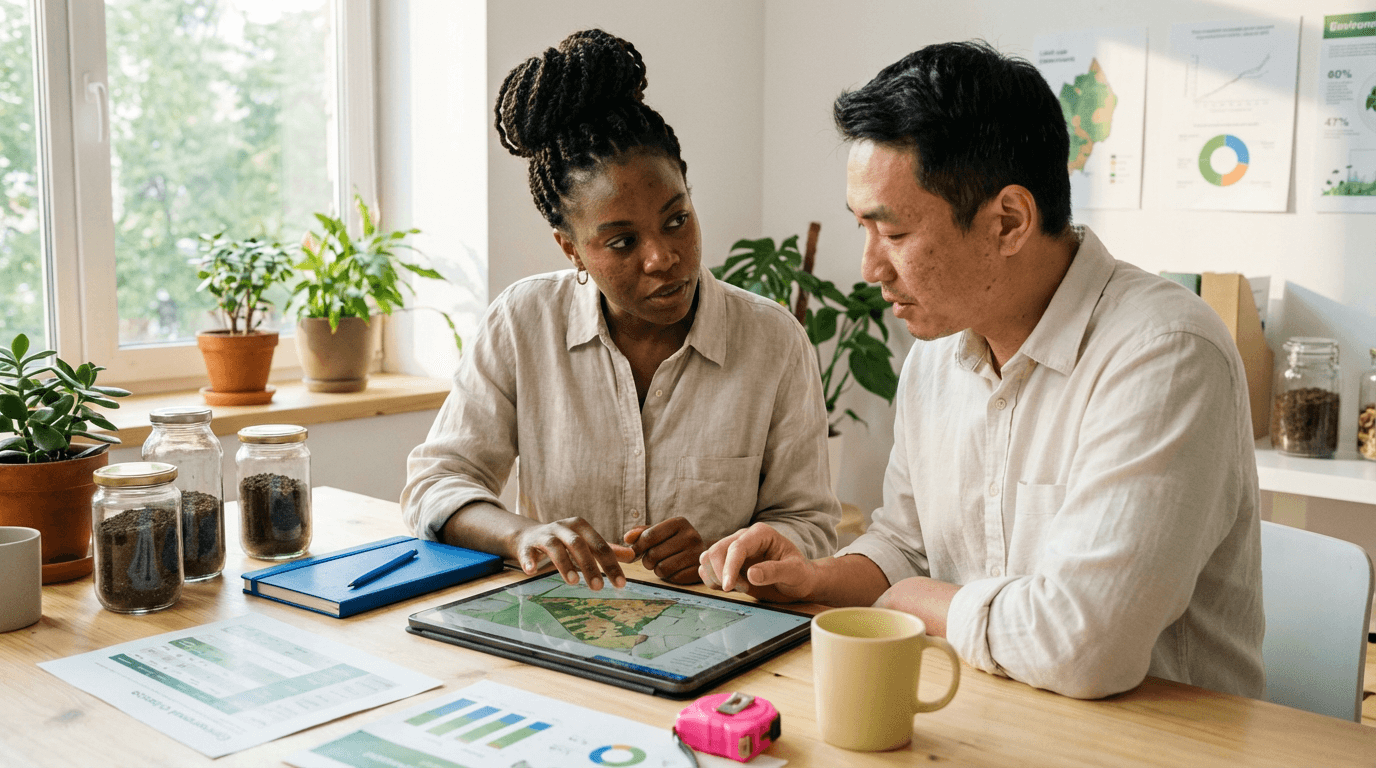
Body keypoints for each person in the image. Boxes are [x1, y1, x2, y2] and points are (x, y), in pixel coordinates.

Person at [699, 40, 1265, 700]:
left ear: (1009, 220)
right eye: (863, 228)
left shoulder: (1164, 353)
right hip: (987, 713)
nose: (870, 268)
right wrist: (817, 576)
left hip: (1159, 741)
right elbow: (908, 547)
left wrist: (919, 600)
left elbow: (1083, 647)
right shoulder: (938, 353)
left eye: (895, 234)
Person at [402, 29, 839, 591]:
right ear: (571, 248)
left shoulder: (772, 341)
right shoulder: (522, 323)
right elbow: (436, 485)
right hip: (562, 631)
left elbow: (811, 525)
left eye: (677, 219)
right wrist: (522, 536)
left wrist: (725, 554)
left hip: (717, 637)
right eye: (622, 242)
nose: (663, 258)